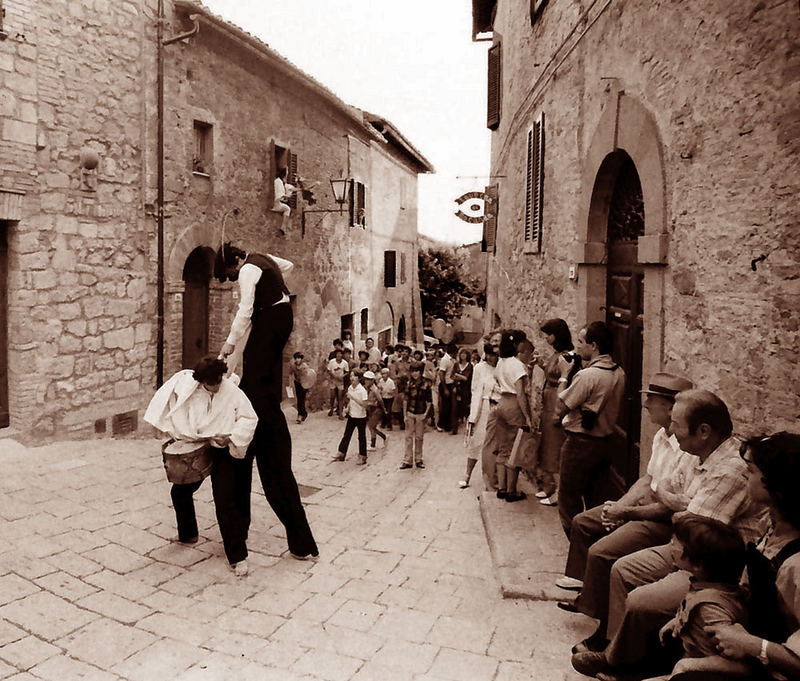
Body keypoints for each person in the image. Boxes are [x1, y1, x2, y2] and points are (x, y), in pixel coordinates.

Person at [570, 390, 769, 677]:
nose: (672, 431)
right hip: (688, 548)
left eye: (676, 424)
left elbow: (692, 527)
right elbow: (663, 490)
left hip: (711, 566)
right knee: (623, 569)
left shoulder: (730, 471)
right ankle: (617, 645)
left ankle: (622, 664)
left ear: (703, 431)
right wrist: (678, 505)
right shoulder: (695, 453)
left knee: (641, 598)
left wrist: (673, 507)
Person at [557, 373, 695, 653]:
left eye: (651, 401)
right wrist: (619, 506)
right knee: (583, 522)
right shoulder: (660, 436)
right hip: (644, 506)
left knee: (602, 551)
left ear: (670, 408)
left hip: (661, 518)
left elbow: (670, 506)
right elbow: (647, 480)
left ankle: (604, 630)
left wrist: (628, 513)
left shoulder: (687, 448)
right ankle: (587, 593)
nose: (645, 406)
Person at [215, 243, 318, 561]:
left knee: (254, 361)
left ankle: (256, 398)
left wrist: (229, 344)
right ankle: (261, 396)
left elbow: (245, 310)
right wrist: (272, 272)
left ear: (235, 261)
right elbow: (285, 265)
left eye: (229, 274)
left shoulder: (248, 269)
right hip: (283, 316)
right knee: (265, 365)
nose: (233, 279)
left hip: (270, 317)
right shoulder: (264, 260)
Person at [144, 355, 257, 576]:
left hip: (224, 449)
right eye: (208, 385)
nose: (212, 389)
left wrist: (232, 435)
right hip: (199, 446)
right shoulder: (191, 389)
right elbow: (175, 404)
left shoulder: (233, 392)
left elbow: (249, 418)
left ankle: (238, 557)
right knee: (180, 492)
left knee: (224, 502)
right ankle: (188, 533)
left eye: (215, 384)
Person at [553, 321, 626, 537]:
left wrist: (565, 374)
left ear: (593, 346)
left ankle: (577, 550)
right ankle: (595, 543)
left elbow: (559, 409)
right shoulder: (618, 372)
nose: (577, 348)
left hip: (580, 443)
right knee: (596, 500)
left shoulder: (588, 376)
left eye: (581, 342)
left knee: (569, 501)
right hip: (604, 442)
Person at [654, 516, 749, 678]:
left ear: (698, 564)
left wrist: (687, 665)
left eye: (677, 542)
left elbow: (741, 666)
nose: (671, 543)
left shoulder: (711, 609)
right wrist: (678, 620)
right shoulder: (714, 586)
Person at [481, 331, 533, 502]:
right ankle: (512, 490)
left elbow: (496, 378)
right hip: (513, 404)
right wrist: (527, 416)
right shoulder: (517, 365)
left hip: (501, 402)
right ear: (516, 344)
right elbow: (520, 393)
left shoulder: (501, 363)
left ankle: (501, 487)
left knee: (503, 447)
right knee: (515, 448)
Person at [535, 318, 575, 506]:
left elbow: (562, 379)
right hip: (548, 402)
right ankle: (549, 486)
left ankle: (559, 491)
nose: (546, 339)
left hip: (555, 403)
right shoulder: (557, 354)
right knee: (548, 445)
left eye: (548, 335)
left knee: (556, 447)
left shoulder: (567, 356)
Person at [460, 343, 499, 489]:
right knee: (477, 441)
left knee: (494, 445)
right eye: (490, 354)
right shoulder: (479, 368)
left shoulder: (501, 368)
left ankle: (491, 479)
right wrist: (473, 413)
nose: (492, 358)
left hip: (498, 407)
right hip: (483, 407)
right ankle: (467, 475)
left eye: (495, 355)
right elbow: (475, 390)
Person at [401, 362, 432, 469]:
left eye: (416, 371)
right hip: (410, 413)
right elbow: (405, 400)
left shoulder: (426, 385)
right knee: (408, 437)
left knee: (419, 437)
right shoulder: (409, 384)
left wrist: (425, 414)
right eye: (413, 371)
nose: (414, 373)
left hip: (420, 414)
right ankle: (407, 460)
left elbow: (429, 401)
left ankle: (418, 459)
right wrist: (404, 414)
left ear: (420, 372)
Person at [332, 371, 368, 465]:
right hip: (352, 415)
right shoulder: (350, 388)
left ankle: (363, 456)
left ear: (359, 378)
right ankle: (341, 453)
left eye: (354, 376)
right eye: (351, 376)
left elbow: (364, 405)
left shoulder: (362, 390)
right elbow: (350, 402)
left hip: (360, 417)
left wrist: (353, 397)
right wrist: (347, 409)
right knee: (347, 435)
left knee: (361, 437)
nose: (352, 378)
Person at [451, 348, 474, 436]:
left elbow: (466, 378)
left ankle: (469, 428)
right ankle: (454, 427)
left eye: (465, 354)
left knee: (466, 408)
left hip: (466, 390)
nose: (463, 355)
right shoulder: (456, 364)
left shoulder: (470, 366)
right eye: (461, 354)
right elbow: (452, 376)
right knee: (454, 408)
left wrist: (457, 375)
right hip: (456, 388)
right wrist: (458, 377)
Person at [363, 370, 387, 450]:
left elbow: (380, 400)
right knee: (371, 427)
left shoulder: (374, 390)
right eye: (365, 379)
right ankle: (374, 443)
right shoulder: (366, 388)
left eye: (368, 379)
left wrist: (384, 409)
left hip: (376, 409)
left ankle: (381, 438)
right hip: (370, 409)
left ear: (372, 380)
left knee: (372, 426)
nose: (366, 381)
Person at [288, 351, 311, 424]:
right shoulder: (293, 366)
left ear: (301, 359)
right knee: (299, 399)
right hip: (297, 383)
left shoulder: (304, 366)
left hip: (304, 384)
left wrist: (308, 386)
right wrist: (290, 383)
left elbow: (308, 376)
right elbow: (290, 374)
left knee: (302, 399)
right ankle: (302, 414)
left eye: (299, 358)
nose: (298, 359)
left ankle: (300, 415)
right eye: (296, 358)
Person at [437, 343, 456, 432]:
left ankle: (448, 424)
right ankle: (441, 424)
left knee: (450, 406)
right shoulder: (445, 360)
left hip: (451, 384)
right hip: (446, 384)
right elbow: (441, 374)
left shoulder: (452, 360)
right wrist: (445, 388)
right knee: (445, 406)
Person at [272, 167, 295, 235]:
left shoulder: (281, 182)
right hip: (275, 203)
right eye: (287, 172)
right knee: (287, 209)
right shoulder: (278, 181)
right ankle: (283, 227)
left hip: (278, 202)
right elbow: (278, 193)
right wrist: (285, 196)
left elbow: (290, 189)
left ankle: (283, 227)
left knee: (287, 208)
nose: (287, 174)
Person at [327, 349, 348, 418]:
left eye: (340, 354)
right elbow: (329, 370)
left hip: (340, 381)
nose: (339, 355)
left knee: (340, 397)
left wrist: (342, 376)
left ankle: (341, 412)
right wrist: (334, 376)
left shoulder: (345, 363)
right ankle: (331, 409)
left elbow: (347, 372)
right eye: (337, 354)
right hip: (333, 380)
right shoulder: (332, 362)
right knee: (332, 396)